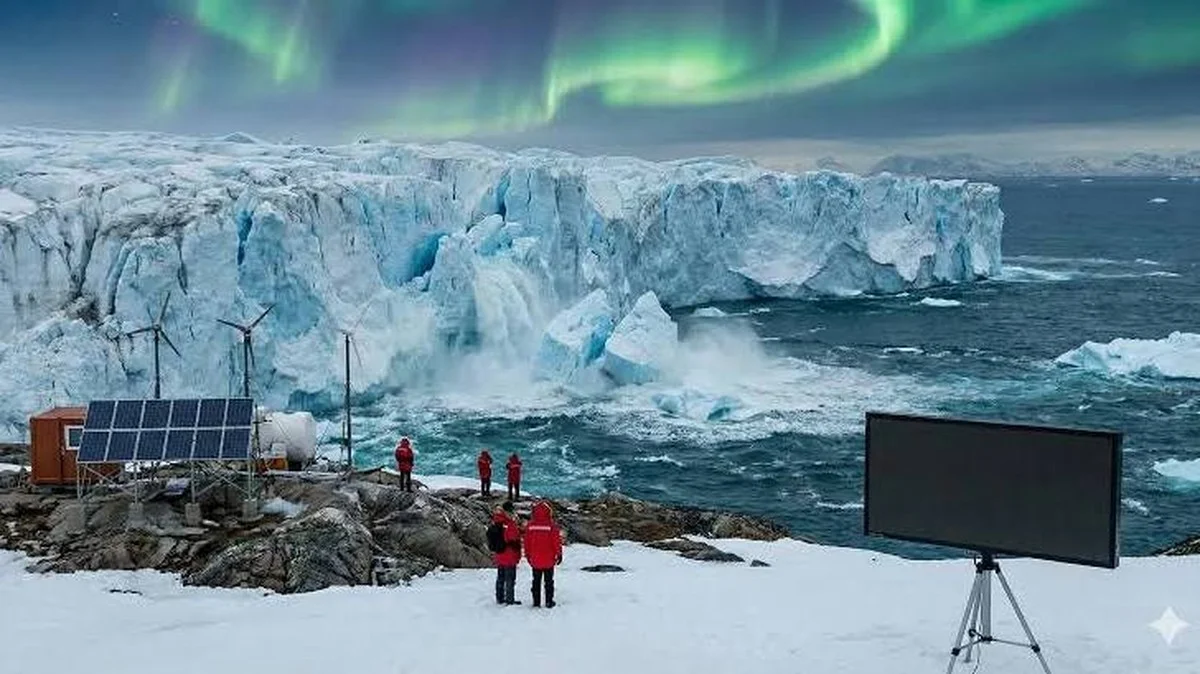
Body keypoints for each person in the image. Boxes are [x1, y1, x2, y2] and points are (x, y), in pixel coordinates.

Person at [523, 500, 563, 608]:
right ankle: (549, 601)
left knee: (536, 581)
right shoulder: (551, 526)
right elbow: (556, 542)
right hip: (549, 559)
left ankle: (536, 602)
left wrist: (527, 556)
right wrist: (559, 554)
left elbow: (526, 543)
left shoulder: (530, 526)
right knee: (548, 581)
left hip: (535, 559)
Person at [491, 501, 522, 605]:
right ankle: (509, 600)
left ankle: (499, 598)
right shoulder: (509, 524)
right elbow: (513, 539)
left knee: (500, 578)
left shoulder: (496, 521)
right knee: (510, 579)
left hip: (499, 554)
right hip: (509, 555)